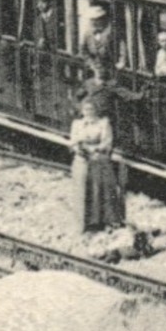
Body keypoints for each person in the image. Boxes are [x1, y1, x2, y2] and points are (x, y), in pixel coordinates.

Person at [69, 97, 125, 232]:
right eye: (86, 109)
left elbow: (107, 141)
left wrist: (96, 149)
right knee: (82, 191)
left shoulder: (103, 123)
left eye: (91, 109)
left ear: (96, 110)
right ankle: (84, 223)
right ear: (82, 111)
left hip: (99, 160)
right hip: (82, 161)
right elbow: (73, 142)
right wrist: (79, 149)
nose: (88, 112)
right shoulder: (76, 124)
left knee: (101, 190)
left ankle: (105, 221)